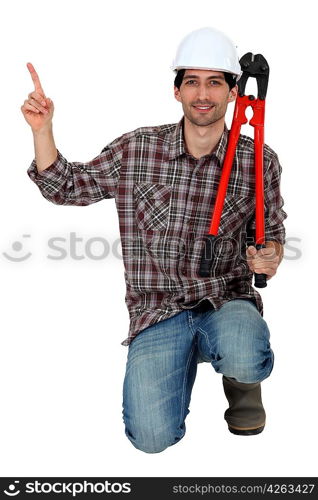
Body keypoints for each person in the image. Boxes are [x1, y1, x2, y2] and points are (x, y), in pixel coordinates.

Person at [21, 27, 287, 454]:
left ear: (233, 92)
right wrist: (42, 129)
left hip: (227, 300)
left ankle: (241, 379)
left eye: (215, 82)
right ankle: (182, 357)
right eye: (193, 82)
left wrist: (270, 255)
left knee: (244, 350)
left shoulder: (260, 160)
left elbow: (270, 232)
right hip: (157, 309)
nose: (203, 93)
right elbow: (65, 187)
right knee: (150, 438)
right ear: (177, 91)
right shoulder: (137, 149)